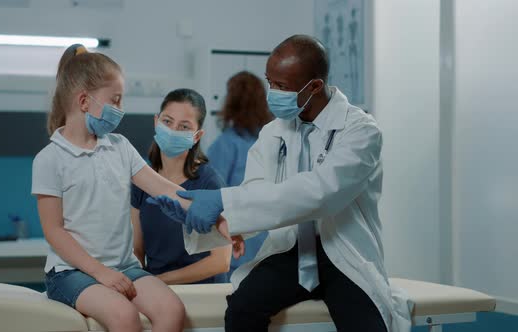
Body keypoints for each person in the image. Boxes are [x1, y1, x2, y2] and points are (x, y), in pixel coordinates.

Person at [150, 35, 412, 332]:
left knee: (367, 325)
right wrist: (218, 219)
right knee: (241, 311)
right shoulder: (273, 133)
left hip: (342, 252)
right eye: (269, 82)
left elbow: (320, 193)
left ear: (314, 86)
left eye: (282, 87)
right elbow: (257, 194)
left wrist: (223, 200)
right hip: (290, 251)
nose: (272, 93)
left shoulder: (360, 131)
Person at [32, 44, 190, 332]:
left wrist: (214, 210)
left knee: (172, 310)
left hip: (124, 267)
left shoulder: (119, 147)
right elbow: (54, 231)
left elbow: (163, 188)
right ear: (83, 101)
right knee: (124, 317)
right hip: (72, 272)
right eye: (115, 101)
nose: (120, 110)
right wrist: (100, 273)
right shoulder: (50, 159)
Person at [130, 88, 231, 285]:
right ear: (156, 122)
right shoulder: (141, 180)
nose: (173, 130)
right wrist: (139, 283)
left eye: (184, 127)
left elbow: (221, 262)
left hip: (202, 295)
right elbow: (137, 250)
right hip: (156, 291)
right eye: (167, 122)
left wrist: (160, 281)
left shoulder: (209, 182)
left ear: (196, 136)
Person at [207, 71, 272, 281]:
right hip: (267, 242)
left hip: (237, 244)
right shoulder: (271, 141)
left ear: (231, 101)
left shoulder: (225, 145)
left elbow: (212, 198)